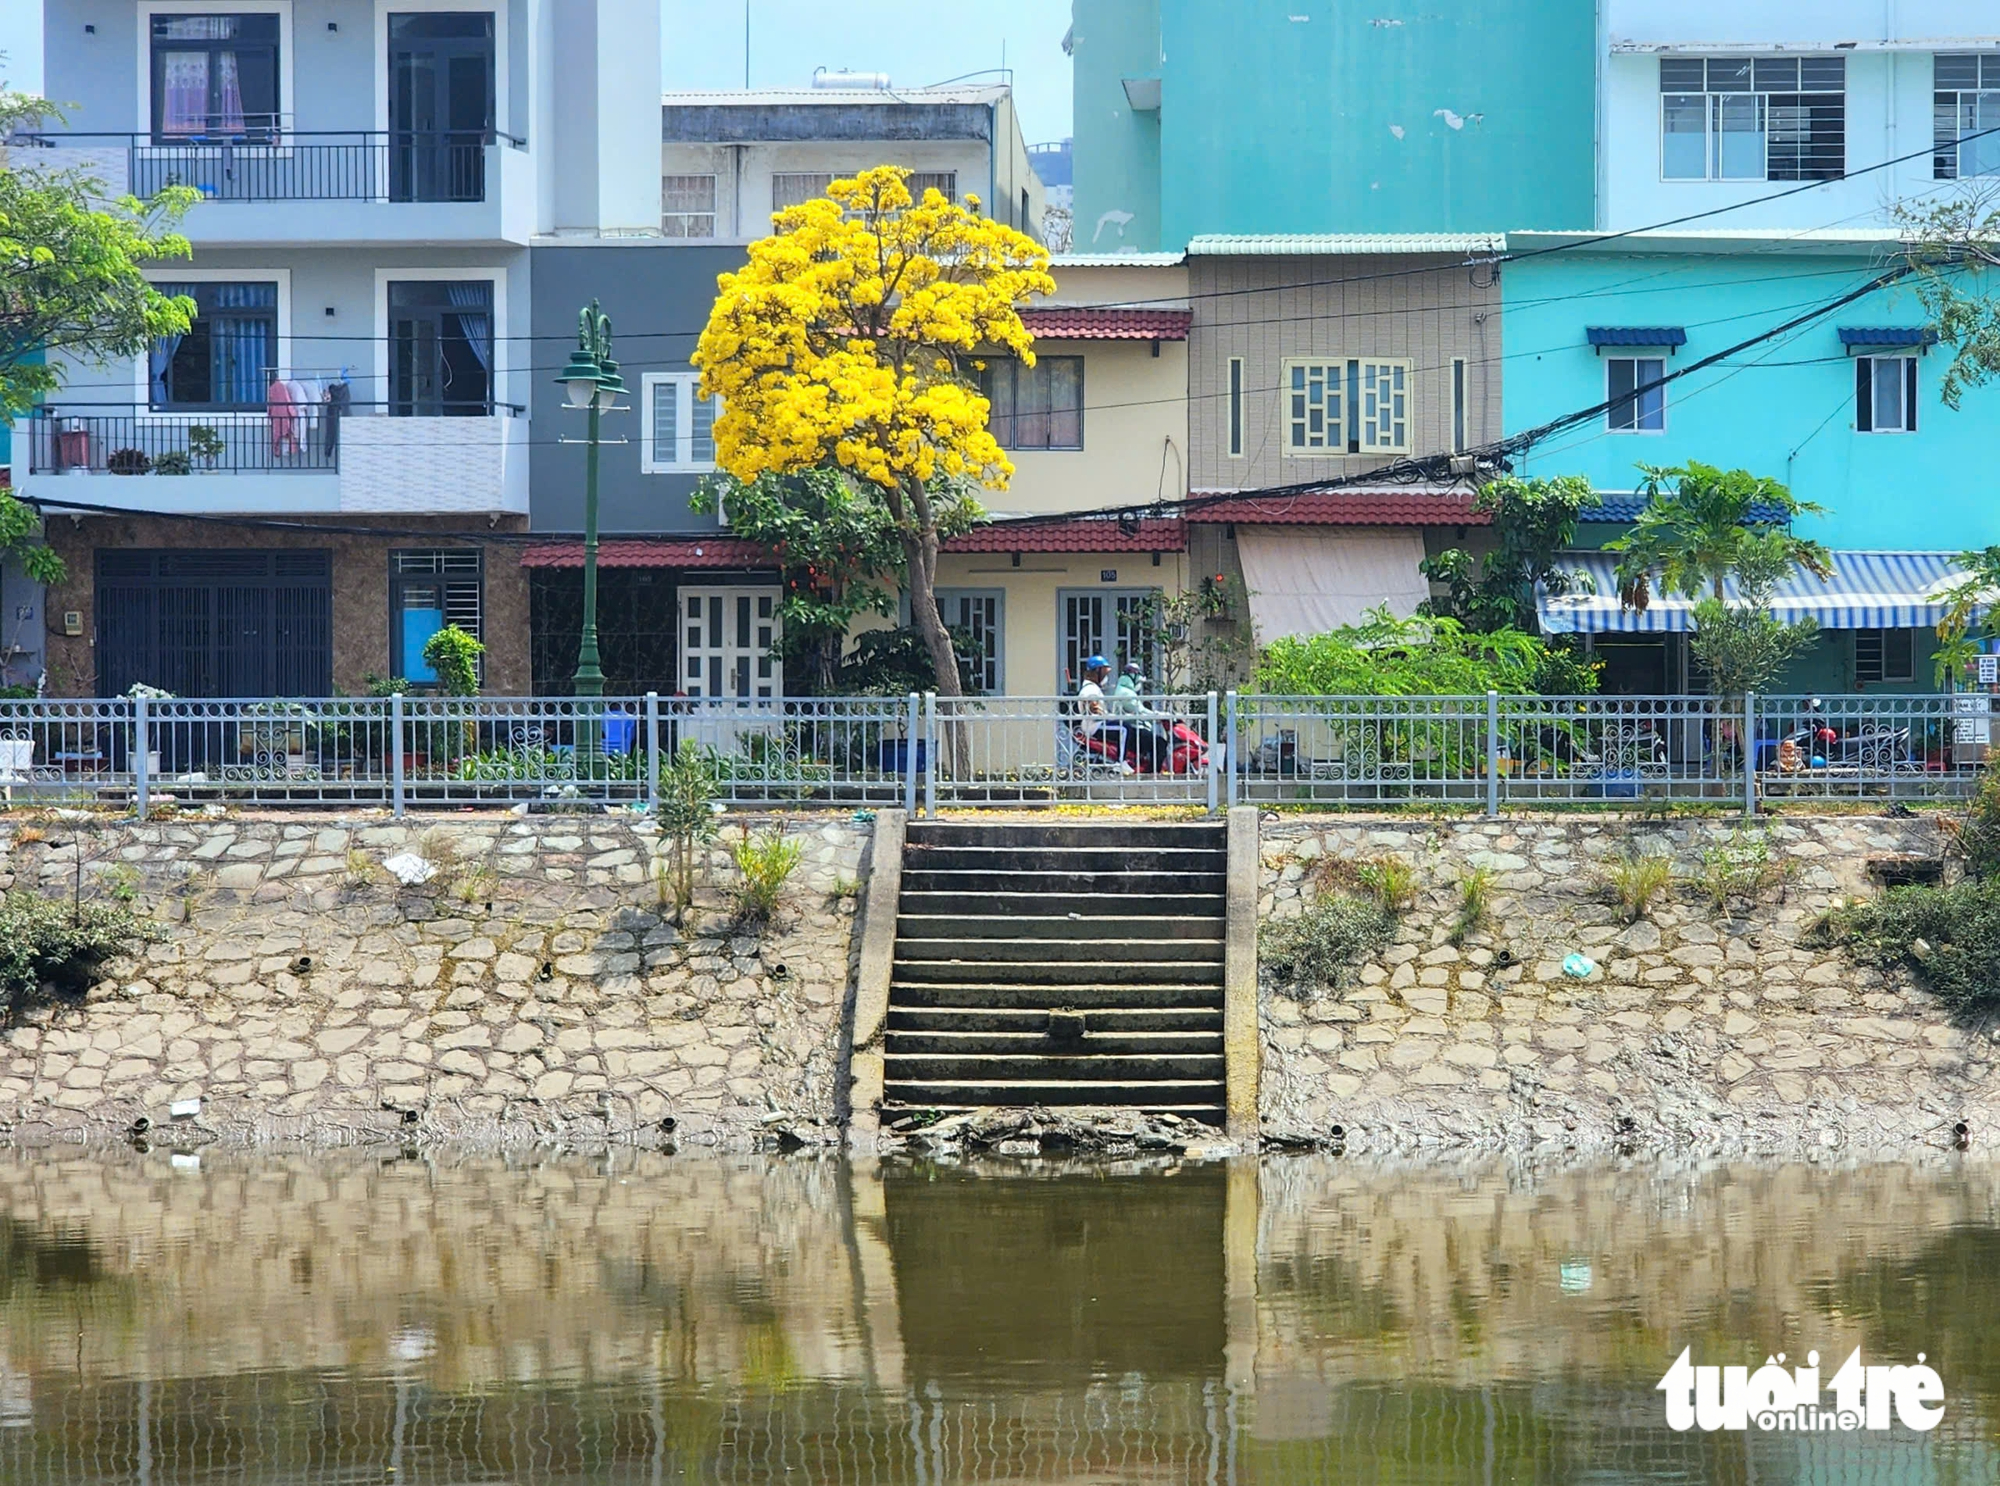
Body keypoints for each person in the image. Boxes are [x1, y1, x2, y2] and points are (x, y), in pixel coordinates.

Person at [1074, 655, 1133, 773]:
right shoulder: (1090, 689)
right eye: (1104, 674)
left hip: (1095, 724)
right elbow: (1093, 708)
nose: (1106, 677)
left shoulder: (1092, 687)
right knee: (1125, 729)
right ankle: (1120, 762)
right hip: (1094, 726)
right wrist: (1105, 715)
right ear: (1097, 672)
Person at [1111, 661, 1167, 770]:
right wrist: (1157, 716)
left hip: (1132, 728)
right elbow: (1140, 712)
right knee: (1160, 743)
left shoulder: (1125, 690)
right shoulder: (1126, 693)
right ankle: (1152, 773)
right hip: (1132, 729)